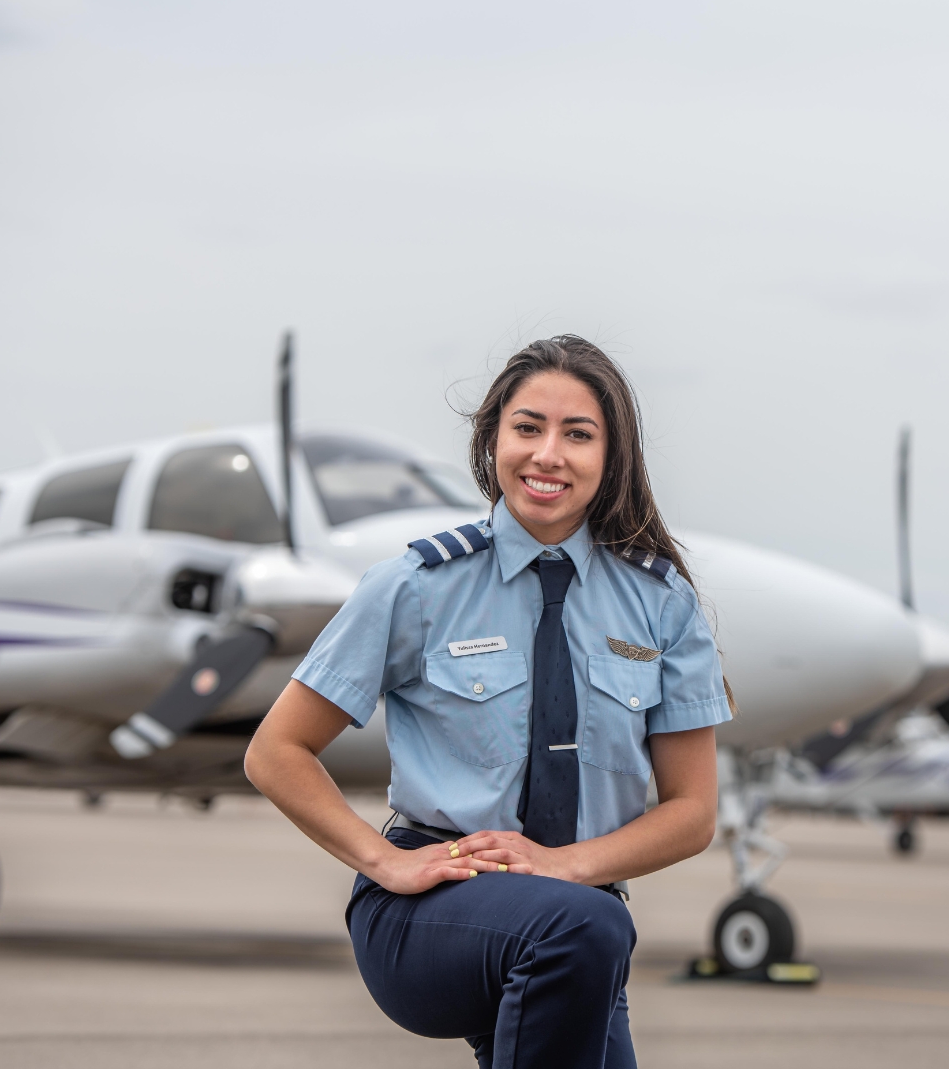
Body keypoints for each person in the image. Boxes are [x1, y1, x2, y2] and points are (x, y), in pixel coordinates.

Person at [244, 335, 734, 1069]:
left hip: (578, 923)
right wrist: (384, 862)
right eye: (528, 428)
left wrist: (564, 868)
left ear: (612, 456)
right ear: (492, 440)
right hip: (430, 907)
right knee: (589, 927)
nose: (548, 455)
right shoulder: (414, 585)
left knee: (591, 926)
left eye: (578, 435)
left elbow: (692, 812)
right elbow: (275, 752)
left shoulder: (661, 604)